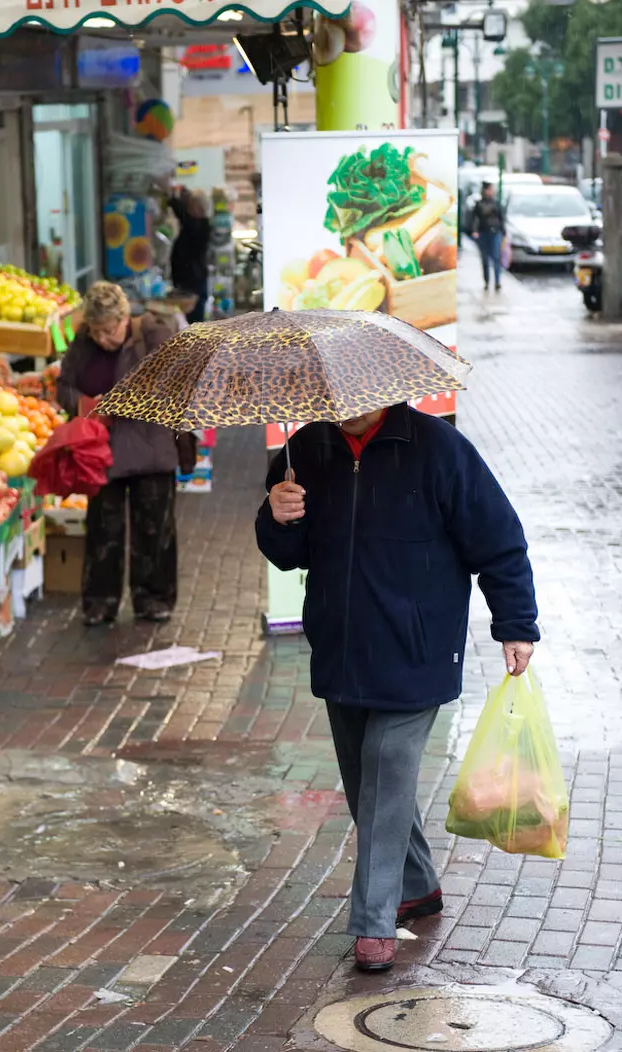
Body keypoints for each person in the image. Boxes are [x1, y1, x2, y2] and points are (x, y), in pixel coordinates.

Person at [255, 405, 538, 972]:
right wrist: (276, 516)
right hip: (341, 646)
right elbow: (288, 557)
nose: (348, 408)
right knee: (368, 781)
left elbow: (499, 539)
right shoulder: (305, 450)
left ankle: (374, 921)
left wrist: (515, 623)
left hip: (419, 648)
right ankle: (418, 885)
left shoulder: (438, 448)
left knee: (385, 770)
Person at [57, 281, 196, 627]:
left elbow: (176, 380)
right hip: (101, 452)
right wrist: (84, 403)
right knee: (104, 529)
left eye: (110, 329)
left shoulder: (152, 332)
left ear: (124, 318)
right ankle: (99, 601)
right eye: (96, 331)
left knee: (155, 528)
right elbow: (63, 386)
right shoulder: (83, 344)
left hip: (151, 447)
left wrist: (127, 398)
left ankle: (154, 598)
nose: (104, 338)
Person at [169, 187, 211, 324]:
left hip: (193, 283)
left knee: (193, 324)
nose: (188, 208)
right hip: (191, 281)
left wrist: (172, 197)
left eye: (190, 205)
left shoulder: (200, 226)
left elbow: (183, 215)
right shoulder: (198, 224)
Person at [472, 181, 505, 291]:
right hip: (484, 233)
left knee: (496, 258)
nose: (492, 191)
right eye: (490, 189)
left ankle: (497, 281)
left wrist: (504, 233)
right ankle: (487, 281)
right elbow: (475, 219)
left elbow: (501, 218)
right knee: (485, 259)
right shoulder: (479, 204)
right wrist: (475, 231)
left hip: (495, 232)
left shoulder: (496, 203)